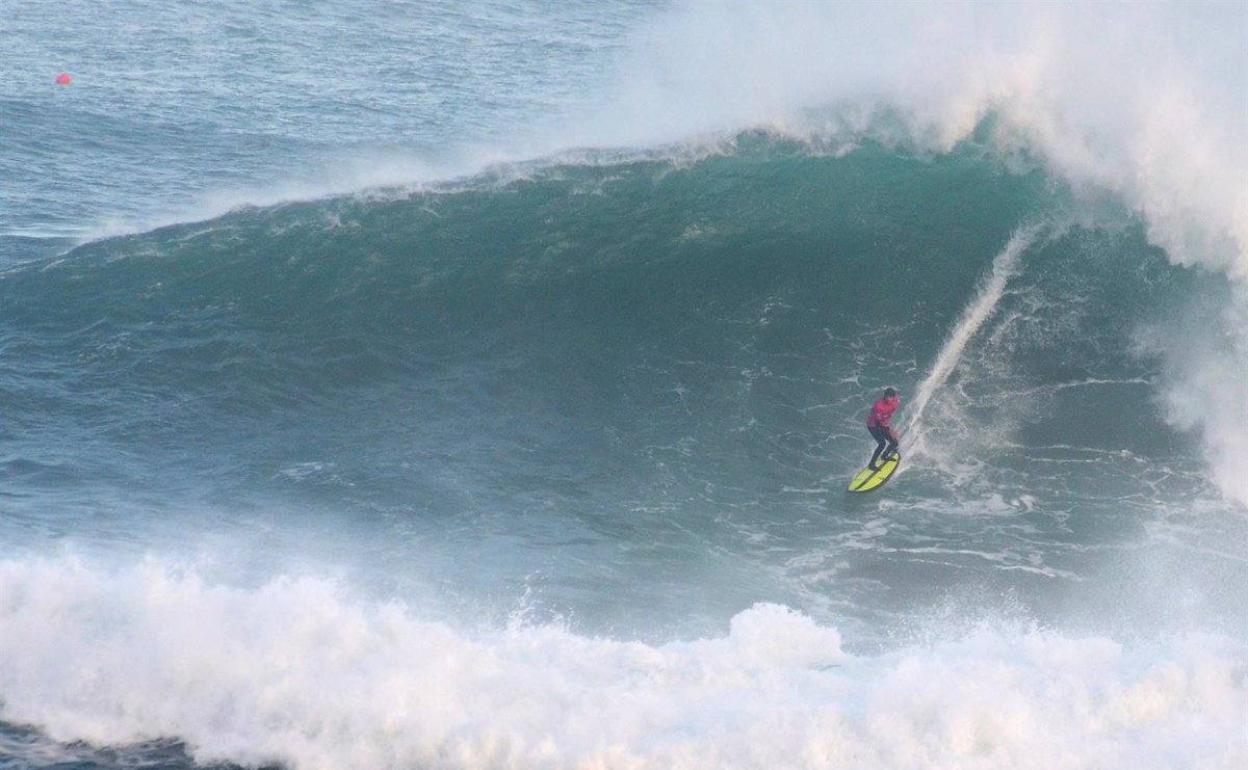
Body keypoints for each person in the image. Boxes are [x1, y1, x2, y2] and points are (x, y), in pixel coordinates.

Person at [866, 387, 900, 471]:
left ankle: (884, 456)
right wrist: (890, 430)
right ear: (884, 396)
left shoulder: (895, 402)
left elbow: (888, 416)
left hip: (882, 423)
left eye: (891, 397)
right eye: (887, 397)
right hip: (873, 425)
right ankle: (871, 464)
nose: (889, 399)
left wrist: (890, 429)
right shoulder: (878, 406)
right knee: (882, 444)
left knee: (894, 442)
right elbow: (879, 422)